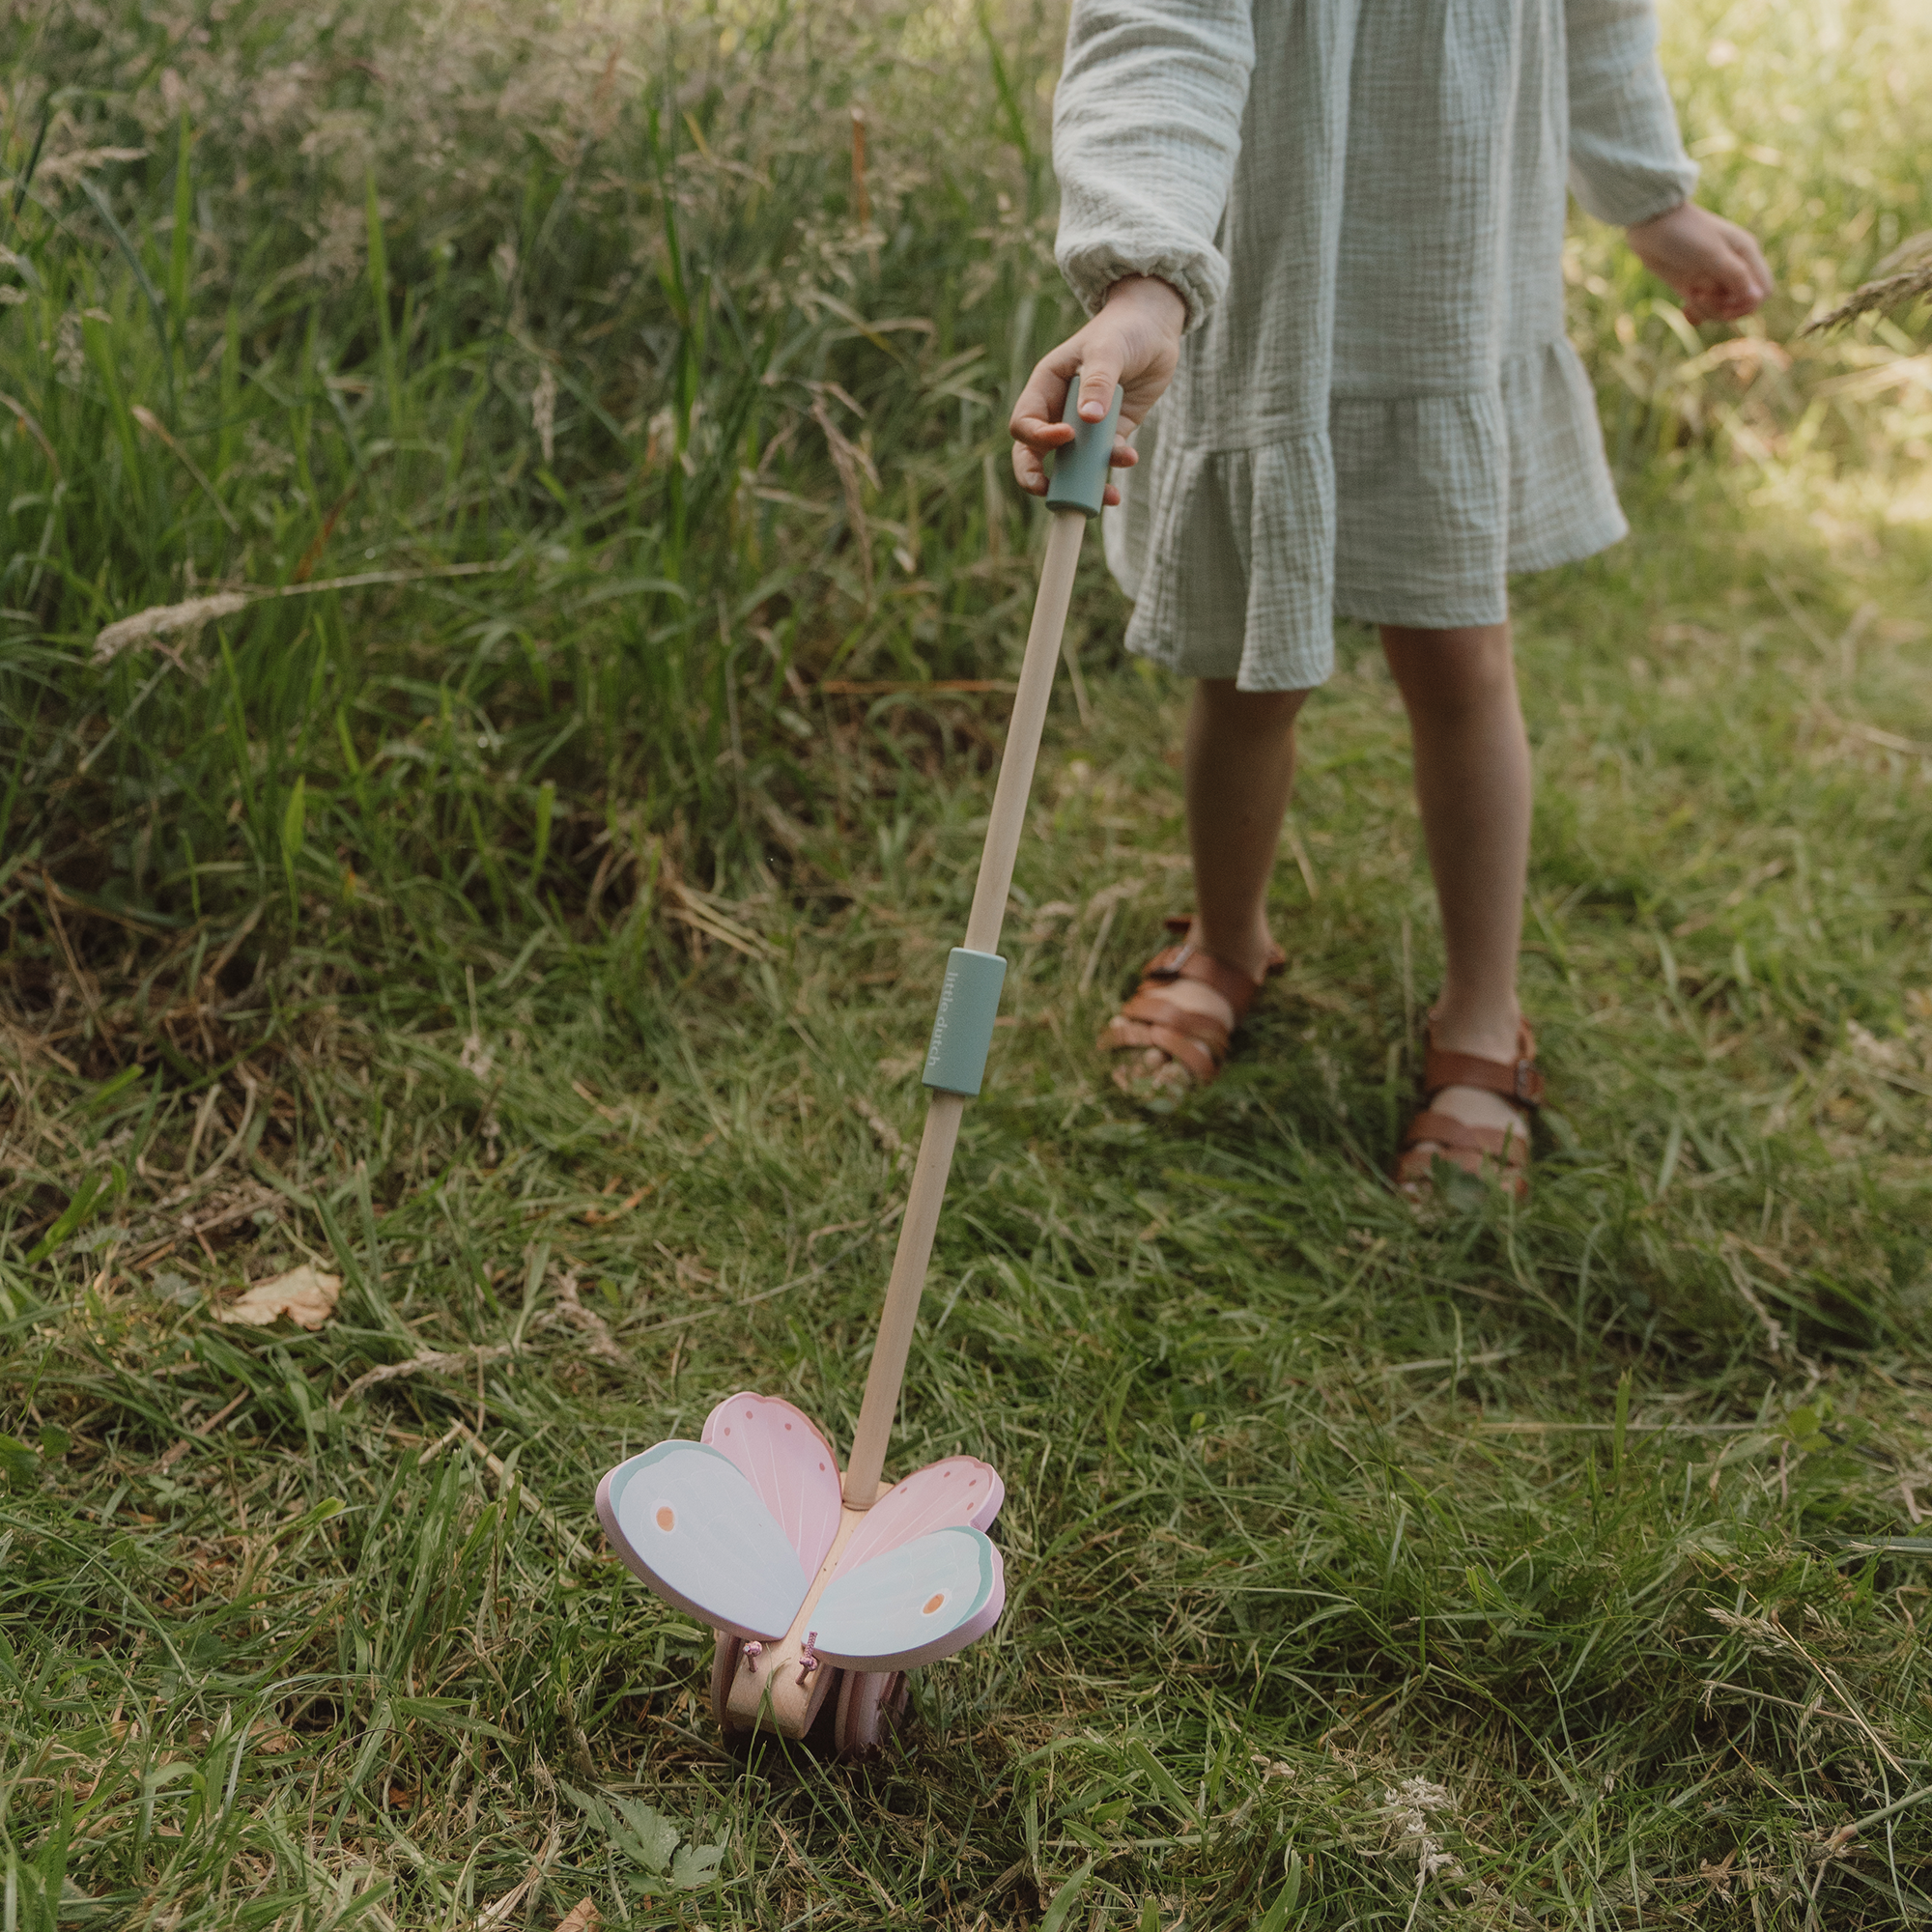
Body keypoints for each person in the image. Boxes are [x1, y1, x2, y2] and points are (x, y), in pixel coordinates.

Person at [1009, 0, 1770, 1198]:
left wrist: (1651, 202)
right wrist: (1142, 279)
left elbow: (1599, 17)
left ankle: (1481, 1008)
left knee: (1460, 662)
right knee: (1250, 666)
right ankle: (1223, 941)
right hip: (1263, 290)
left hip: (1449, 287)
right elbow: (1163, 30)